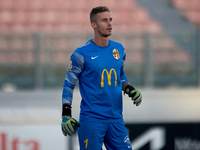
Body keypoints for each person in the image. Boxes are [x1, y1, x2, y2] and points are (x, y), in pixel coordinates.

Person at [61, 6, 142, 150]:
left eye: (110, 20)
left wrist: (130, 89)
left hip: (116, 119)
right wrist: (66, 114)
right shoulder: (81, 54)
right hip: (92, 120)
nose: (109, 24)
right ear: (94, 24)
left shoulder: (119, 49)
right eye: (104, 20)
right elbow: (68, 84)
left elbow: (120, 75)